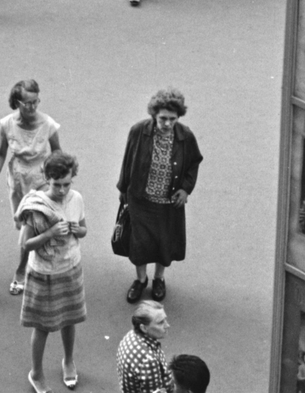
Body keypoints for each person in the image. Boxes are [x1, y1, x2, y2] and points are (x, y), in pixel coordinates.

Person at [118, 87, 202, 303]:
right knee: (139, 243)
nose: (167, 124)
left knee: (164, 243)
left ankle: (158, 279)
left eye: (172, 119)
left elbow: (194, 162)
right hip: (141, 199)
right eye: (163, 119)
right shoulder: (138, 131)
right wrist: (123, 191)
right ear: (154, 116)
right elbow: (127, 161)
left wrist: (185, 189)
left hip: (168, 204)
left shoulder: (186, 136)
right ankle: (141, 279)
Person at [18, 150, 88, 393]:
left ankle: (68, 361)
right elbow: (25, 245)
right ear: (47, 178)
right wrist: (49, 234)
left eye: (66, 184)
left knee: (70, 319)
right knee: (43, 326)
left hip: (70, 267)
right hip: (44, 273)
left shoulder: (76, 198)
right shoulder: (36, 205)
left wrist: (77, 230)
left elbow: (84, 230)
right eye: (56, 184)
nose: (61, 190)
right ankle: (36, 373)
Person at [0, 80, 63, 295]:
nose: (33, 107)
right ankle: (38, 260)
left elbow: (58, 152)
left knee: (30, 227)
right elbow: (1, 153)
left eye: (36, 102)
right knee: (24, 225)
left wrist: (60, 182)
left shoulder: (48, 124)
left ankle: (21, 271)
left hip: (41, 181)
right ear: (17, 102)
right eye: (28, 103)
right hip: (18, 180)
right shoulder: (6, 124)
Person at [116, 300, 174, 393]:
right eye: (160, 322)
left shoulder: (131, 335)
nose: (167, 325)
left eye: (165, 319)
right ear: (144, 328)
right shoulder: (149, 361)